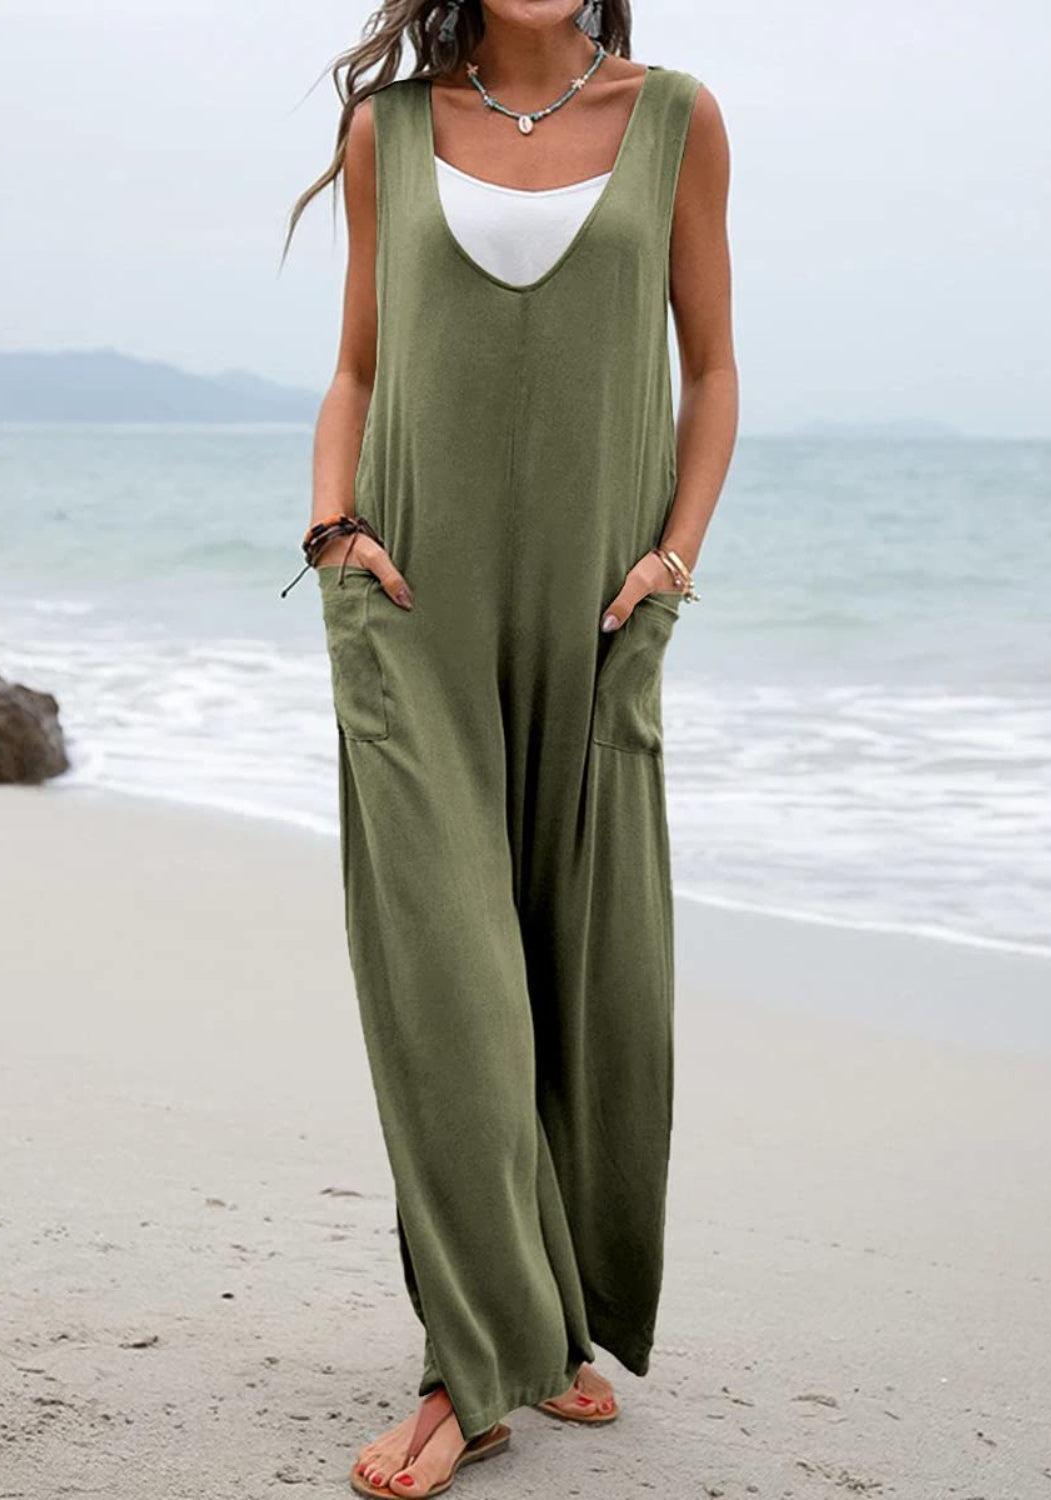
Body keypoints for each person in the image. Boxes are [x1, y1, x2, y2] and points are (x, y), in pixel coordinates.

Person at [282, 1, 737, 1493]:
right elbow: (353, 368)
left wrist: (671, 559)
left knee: (584, 984)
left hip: (599, 618)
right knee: (449, 997)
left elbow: (712, 371)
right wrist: (333, 533)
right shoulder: (390, 130)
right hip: (412, 611)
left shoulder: (675, 118)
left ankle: (549, 1328)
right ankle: (462, 1377)